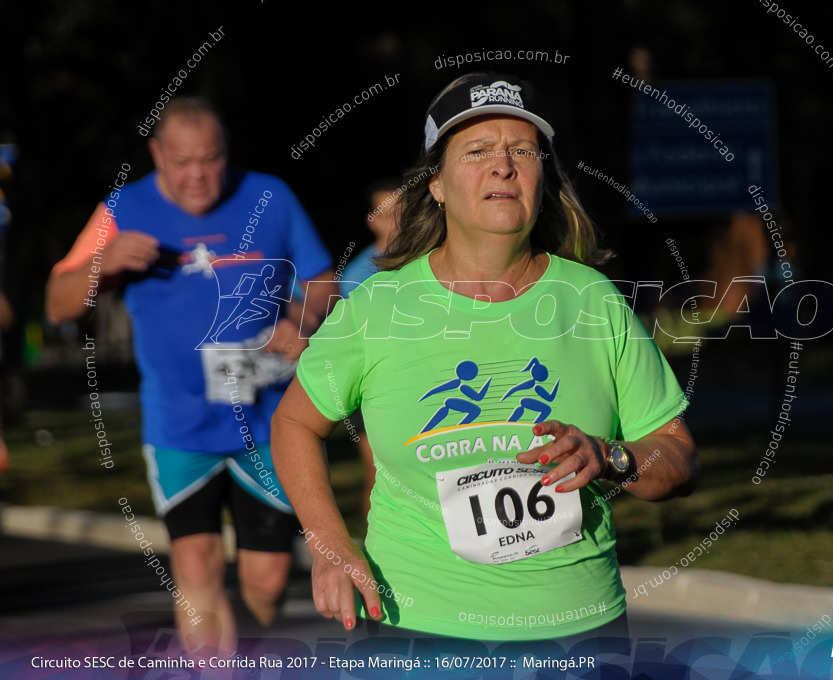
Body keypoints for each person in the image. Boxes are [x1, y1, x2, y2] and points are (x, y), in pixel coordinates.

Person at [271, 72, 700, 642]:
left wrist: (610, 457)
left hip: (578, 633)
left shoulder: (592, 300)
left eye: (522, 150)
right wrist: (329, 545)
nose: (503, 165)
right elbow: (294, 422)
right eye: (477, 151)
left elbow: (677, 456)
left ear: (543, 178)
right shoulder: (379, 305)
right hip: (418, 628)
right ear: (437, 185)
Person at [45, 96, 335, 654]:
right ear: (155, 154)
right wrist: (101, 267)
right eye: (182, 162)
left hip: (270, 421)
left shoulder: (269, 196)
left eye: (211, 159)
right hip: (180, 424)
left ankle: (240, 659)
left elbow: (322, 281)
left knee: (266, 582)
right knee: (196, 564)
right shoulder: (122, 210)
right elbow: (58, 303)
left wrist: (302, 318)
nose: (198, 175)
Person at [340, 179, 402, 520]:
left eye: (403, 210)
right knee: (379, 475)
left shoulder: (429, 259)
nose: (397, 220)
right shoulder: (358, 274)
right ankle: (371, 557)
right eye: (387, 213)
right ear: (372, 220)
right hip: (374, 385)